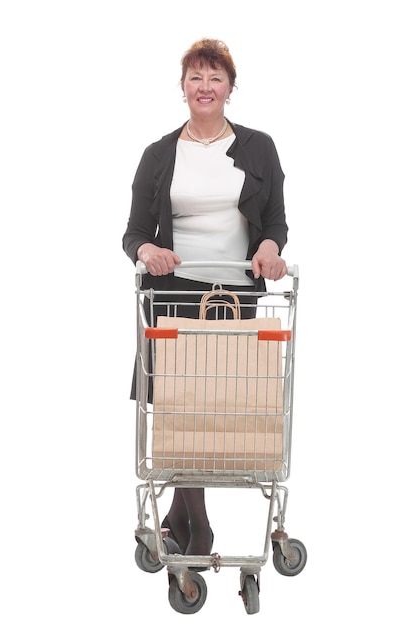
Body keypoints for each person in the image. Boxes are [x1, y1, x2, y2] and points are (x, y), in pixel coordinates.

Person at [123, 38, 288, 560]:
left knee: (218, 406)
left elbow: (277, 221)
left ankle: (179, 520)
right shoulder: (158, 154)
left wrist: (268, 246)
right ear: (182, 87)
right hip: (173, 294)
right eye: (196, 77)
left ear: (230, 89)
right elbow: (132, 234)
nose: (205, 87)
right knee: (180, 409)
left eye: (215, 78)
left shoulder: (259, 146)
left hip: (235, 295)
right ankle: (200, 527)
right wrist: (148, 249)